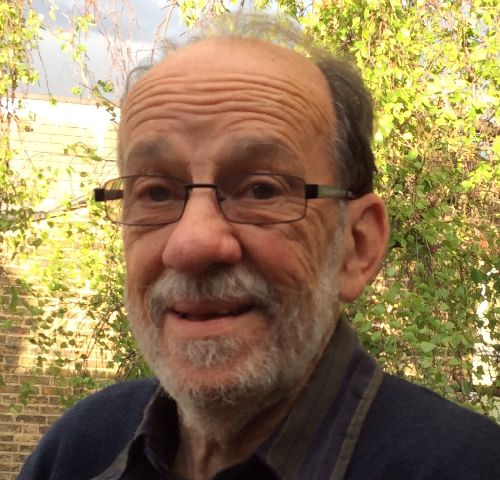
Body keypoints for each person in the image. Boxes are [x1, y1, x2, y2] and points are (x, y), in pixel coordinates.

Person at [19, 13, 500, 480]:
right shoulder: (77, 452)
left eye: (262, 189)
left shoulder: (471, 466)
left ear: (356, 247)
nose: (192, 244)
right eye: (157, 193)